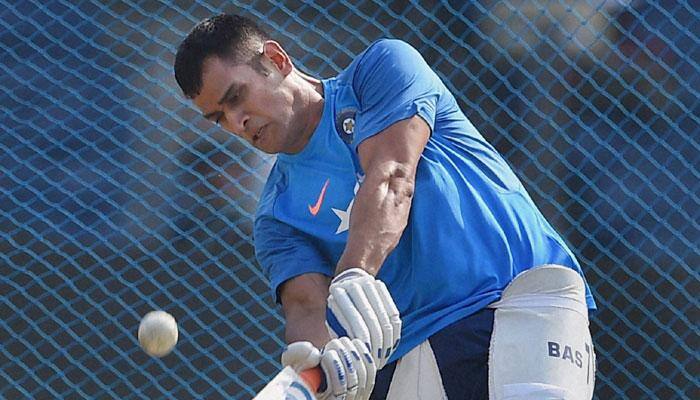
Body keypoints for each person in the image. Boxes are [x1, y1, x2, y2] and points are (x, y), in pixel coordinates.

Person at [174, 14, 597, 400]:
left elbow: (393, 174)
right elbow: (306, 307)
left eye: (236, 97)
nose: (235, 123)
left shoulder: (381, 70)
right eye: (218, 118)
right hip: (409, 346)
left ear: (276, 59)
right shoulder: (274, 216)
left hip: (515, 296)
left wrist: (355, 270)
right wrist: (325, 355)